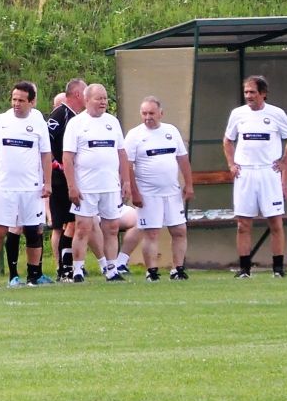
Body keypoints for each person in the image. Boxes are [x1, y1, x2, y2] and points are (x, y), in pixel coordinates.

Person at [222, 75, 287, 278]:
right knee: (243, 223)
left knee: (275, 222)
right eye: (246, 92)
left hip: (268, 172)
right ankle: (244, 269)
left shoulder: (276, 114)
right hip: (245, 172)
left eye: (252, 92)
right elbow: (227, 141)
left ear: (263, 93)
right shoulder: (237, 114)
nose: (248, 96)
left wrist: (284, 162)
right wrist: (231, 164)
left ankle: (278, 269)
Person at [0, 81, 51, 286]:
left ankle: (33, 276)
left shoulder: (39, 123)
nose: (16, 103)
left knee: (33, 231)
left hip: (31, 187)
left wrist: (47, 182)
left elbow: (46, 154)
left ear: (32, 102)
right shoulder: (0, 121)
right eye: (14, 99)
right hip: (5, 187)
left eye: (21, 100)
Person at [62, 82, 128, 281]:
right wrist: (72, 186)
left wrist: (125, 182)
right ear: (87, 99)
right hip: (86, 187)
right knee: (83, 227)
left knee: (112, 228)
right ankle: (78, 270)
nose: (103, 102)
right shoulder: (76, 123)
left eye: (105, 98)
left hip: (110, 185)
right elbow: (67, 157)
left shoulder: (112, 122)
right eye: (99, 98)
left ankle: (111, 268)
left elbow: (122, 153)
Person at [122, 96, 192, 281]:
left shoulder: (171, 131)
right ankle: (151, 271)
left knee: (179, 230)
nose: (147, 117)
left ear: (161, 113)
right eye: (144, 113)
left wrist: (189, 184)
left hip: (172, 191)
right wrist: (134, 192)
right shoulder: (134, 135)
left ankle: (178, 269)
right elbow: (127, 165)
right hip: (148, 192)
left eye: (151, 113)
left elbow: (183, 159)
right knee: (151, 232)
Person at [46, 79, 86, 279]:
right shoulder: (60, 114)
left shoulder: (76, 117)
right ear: (78, 94)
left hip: (70, 177)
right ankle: (63, 267)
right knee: (65, 223)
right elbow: (46, 142)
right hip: (60, 179)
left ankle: (67, 267)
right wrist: (56, 165)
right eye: (85, 92)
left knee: (73, 223)